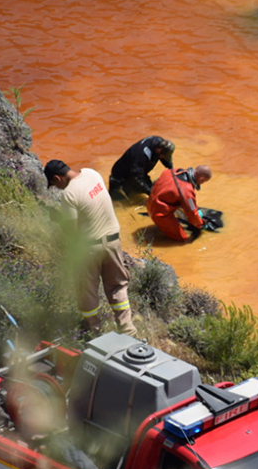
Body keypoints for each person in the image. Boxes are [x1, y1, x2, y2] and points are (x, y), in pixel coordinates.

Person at [45, 159, 137, 336]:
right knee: (118, 286)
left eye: (54, 185)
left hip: (91, 249)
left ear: (57, 178)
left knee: (86, 290)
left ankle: (93, 331)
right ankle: (128, 330)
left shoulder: (69, 194)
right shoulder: (92, 173)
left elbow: (72, 232)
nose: (57, 189)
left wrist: (58, 219)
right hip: (113, 242)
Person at [146, 166, 213, 242]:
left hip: (150, 203)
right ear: (202, 179)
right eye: (203, 182)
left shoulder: (171, 171)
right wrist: (201, 223)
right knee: (182, 239)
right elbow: (192, 212)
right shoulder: (187, 192)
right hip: (160, 214)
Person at [108, 136, 175, 200]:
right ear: (158, 150)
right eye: (163, 156)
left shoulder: (160, 143)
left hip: (138, 171)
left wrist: (171, 169)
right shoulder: (142, 155)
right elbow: (137, 178)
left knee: (149, 188)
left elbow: (164, 158)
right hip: (122, 175)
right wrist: (150, 193)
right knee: (121, 201)